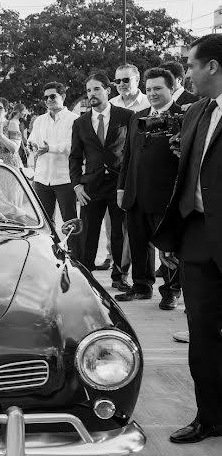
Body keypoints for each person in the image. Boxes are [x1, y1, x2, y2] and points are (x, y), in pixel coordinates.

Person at [153, 34, 222, 443]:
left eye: (192, 65)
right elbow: (187, 176)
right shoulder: (196, 111)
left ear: (212, 66)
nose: (188, 73)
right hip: (197, 236)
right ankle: (210, 416)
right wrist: (177, 238)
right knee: (202, 332)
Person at [114, 68, 182, 308]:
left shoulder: (183, 117)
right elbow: (128, 156)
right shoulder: (137, 117)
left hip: (165, 196)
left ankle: (171, 291)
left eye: (158, 88)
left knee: (167, 245)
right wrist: (122, 188)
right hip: (135, 194)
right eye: (149, 88)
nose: (152, 93)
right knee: (138, 243)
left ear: (171, 89)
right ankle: (141, 287)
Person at [69, 73, 133, 292]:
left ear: (108, 90)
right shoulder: (80, 122)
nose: (92, 94)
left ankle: (120, 276)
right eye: (88, 90)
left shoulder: (127, 116)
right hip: (90, 187)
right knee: (88, 233)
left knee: (119, 233)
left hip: (119, 184)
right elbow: (75, 157)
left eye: (96, 89)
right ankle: (86, 275)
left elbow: (132, 152)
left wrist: (128, 184)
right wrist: (77, 185)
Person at [28, 82, 79, 241]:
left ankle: (73, 258)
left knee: (70, 223)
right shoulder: (39, 121)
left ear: (63, 96)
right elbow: (32, 140)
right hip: (42, 178)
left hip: (65, 178)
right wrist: (32, 146)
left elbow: (74, 147)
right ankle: (50, 256)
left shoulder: (74, 120)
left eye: (52, 96)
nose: (48, 100)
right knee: (45, 223)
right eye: (45, 97)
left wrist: (51, 148)